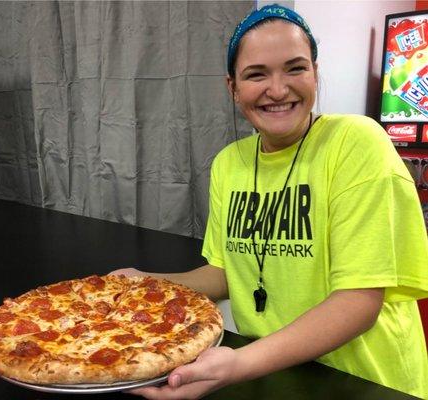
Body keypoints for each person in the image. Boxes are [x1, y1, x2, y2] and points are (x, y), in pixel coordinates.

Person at [112, 4, 428, 399]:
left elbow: (358, 301)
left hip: (363, 381)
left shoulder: (357, 143)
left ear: (315, 72)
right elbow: (228, 274)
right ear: (233, 87)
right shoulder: (229, 163)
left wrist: (237, 363)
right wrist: (147, 283)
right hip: (273, 374)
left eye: (295, 68)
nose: (277, 90)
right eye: (256, 74)